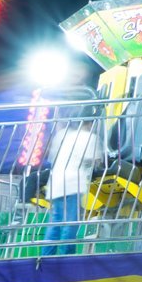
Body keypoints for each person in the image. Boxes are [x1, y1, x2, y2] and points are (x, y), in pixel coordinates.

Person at [43, 97, 102, 255]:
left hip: (56, 182)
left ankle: (46, 257)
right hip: (72, 184)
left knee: (56, 221)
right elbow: (97, 161)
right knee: (71, 223)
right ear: (91, 123)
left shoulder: (63, 134)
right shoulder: (90, 137)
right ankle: (66, 257)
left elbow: (52, 156)